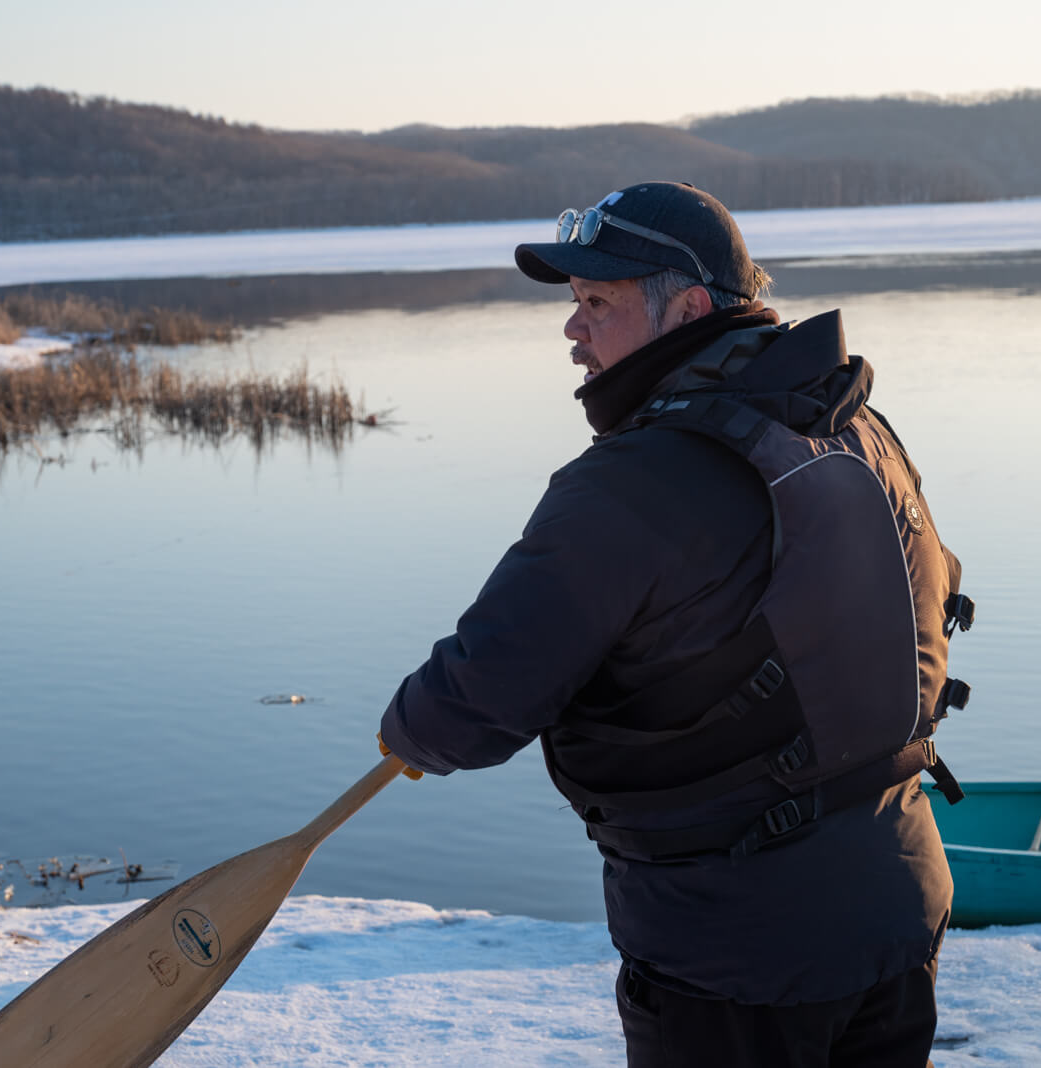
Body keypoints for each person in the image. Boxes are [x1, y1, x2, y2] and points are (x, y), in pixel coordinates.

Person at [379, 181, 973, 1067]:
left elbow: (471, 704)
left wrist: (406, 732)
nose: (572, 329)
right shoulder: (857, 426)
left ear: (688, 308)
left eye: (597, 303)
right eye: (575, 304)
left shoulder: (630, 485)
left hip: (736, 952)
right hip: (898, 903)